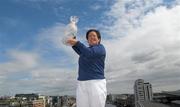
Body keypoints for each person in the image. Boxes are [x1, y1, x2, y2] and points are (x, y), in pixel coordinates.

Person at [66, 29, 107, 107]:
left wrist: (77, 42)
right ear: (87, 40)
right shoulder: (85, 51)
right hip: (81, 83)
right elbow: (78, 48)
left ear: (99, 39)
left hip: (96, 83)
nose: (91, 37)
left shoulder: (101, 48)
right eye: (89, 37)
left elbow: (89, 53)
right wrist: (72, 37)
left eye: (93, 36)